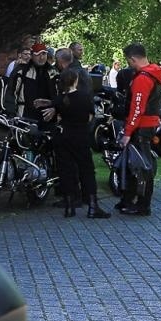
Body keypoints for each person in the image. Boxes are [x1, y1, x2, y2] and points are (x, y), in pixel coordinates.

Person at [54, 66, 109, 219]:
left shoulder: (59, 99)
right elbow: (89, 118)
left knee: (66, 171)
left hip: (63, 136)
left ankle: (69, 206)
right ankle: (92, 205)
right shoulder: (84, 97)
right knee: (86, 170)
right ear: (76, 80)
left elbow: (58, 117)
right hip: (80, 136)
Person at [117, 43, 161, 216]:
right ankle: (128, 199)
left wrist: (127, 133)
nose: (129, 65)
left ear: (133, 59)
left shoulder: (142, 78)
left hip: (141, 127)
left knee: (141, 166)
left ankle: (143, 205)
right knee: (140, 164)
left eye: (129, 61)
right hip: (149, 124)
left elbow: (137, 108)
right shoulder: (155, 73)